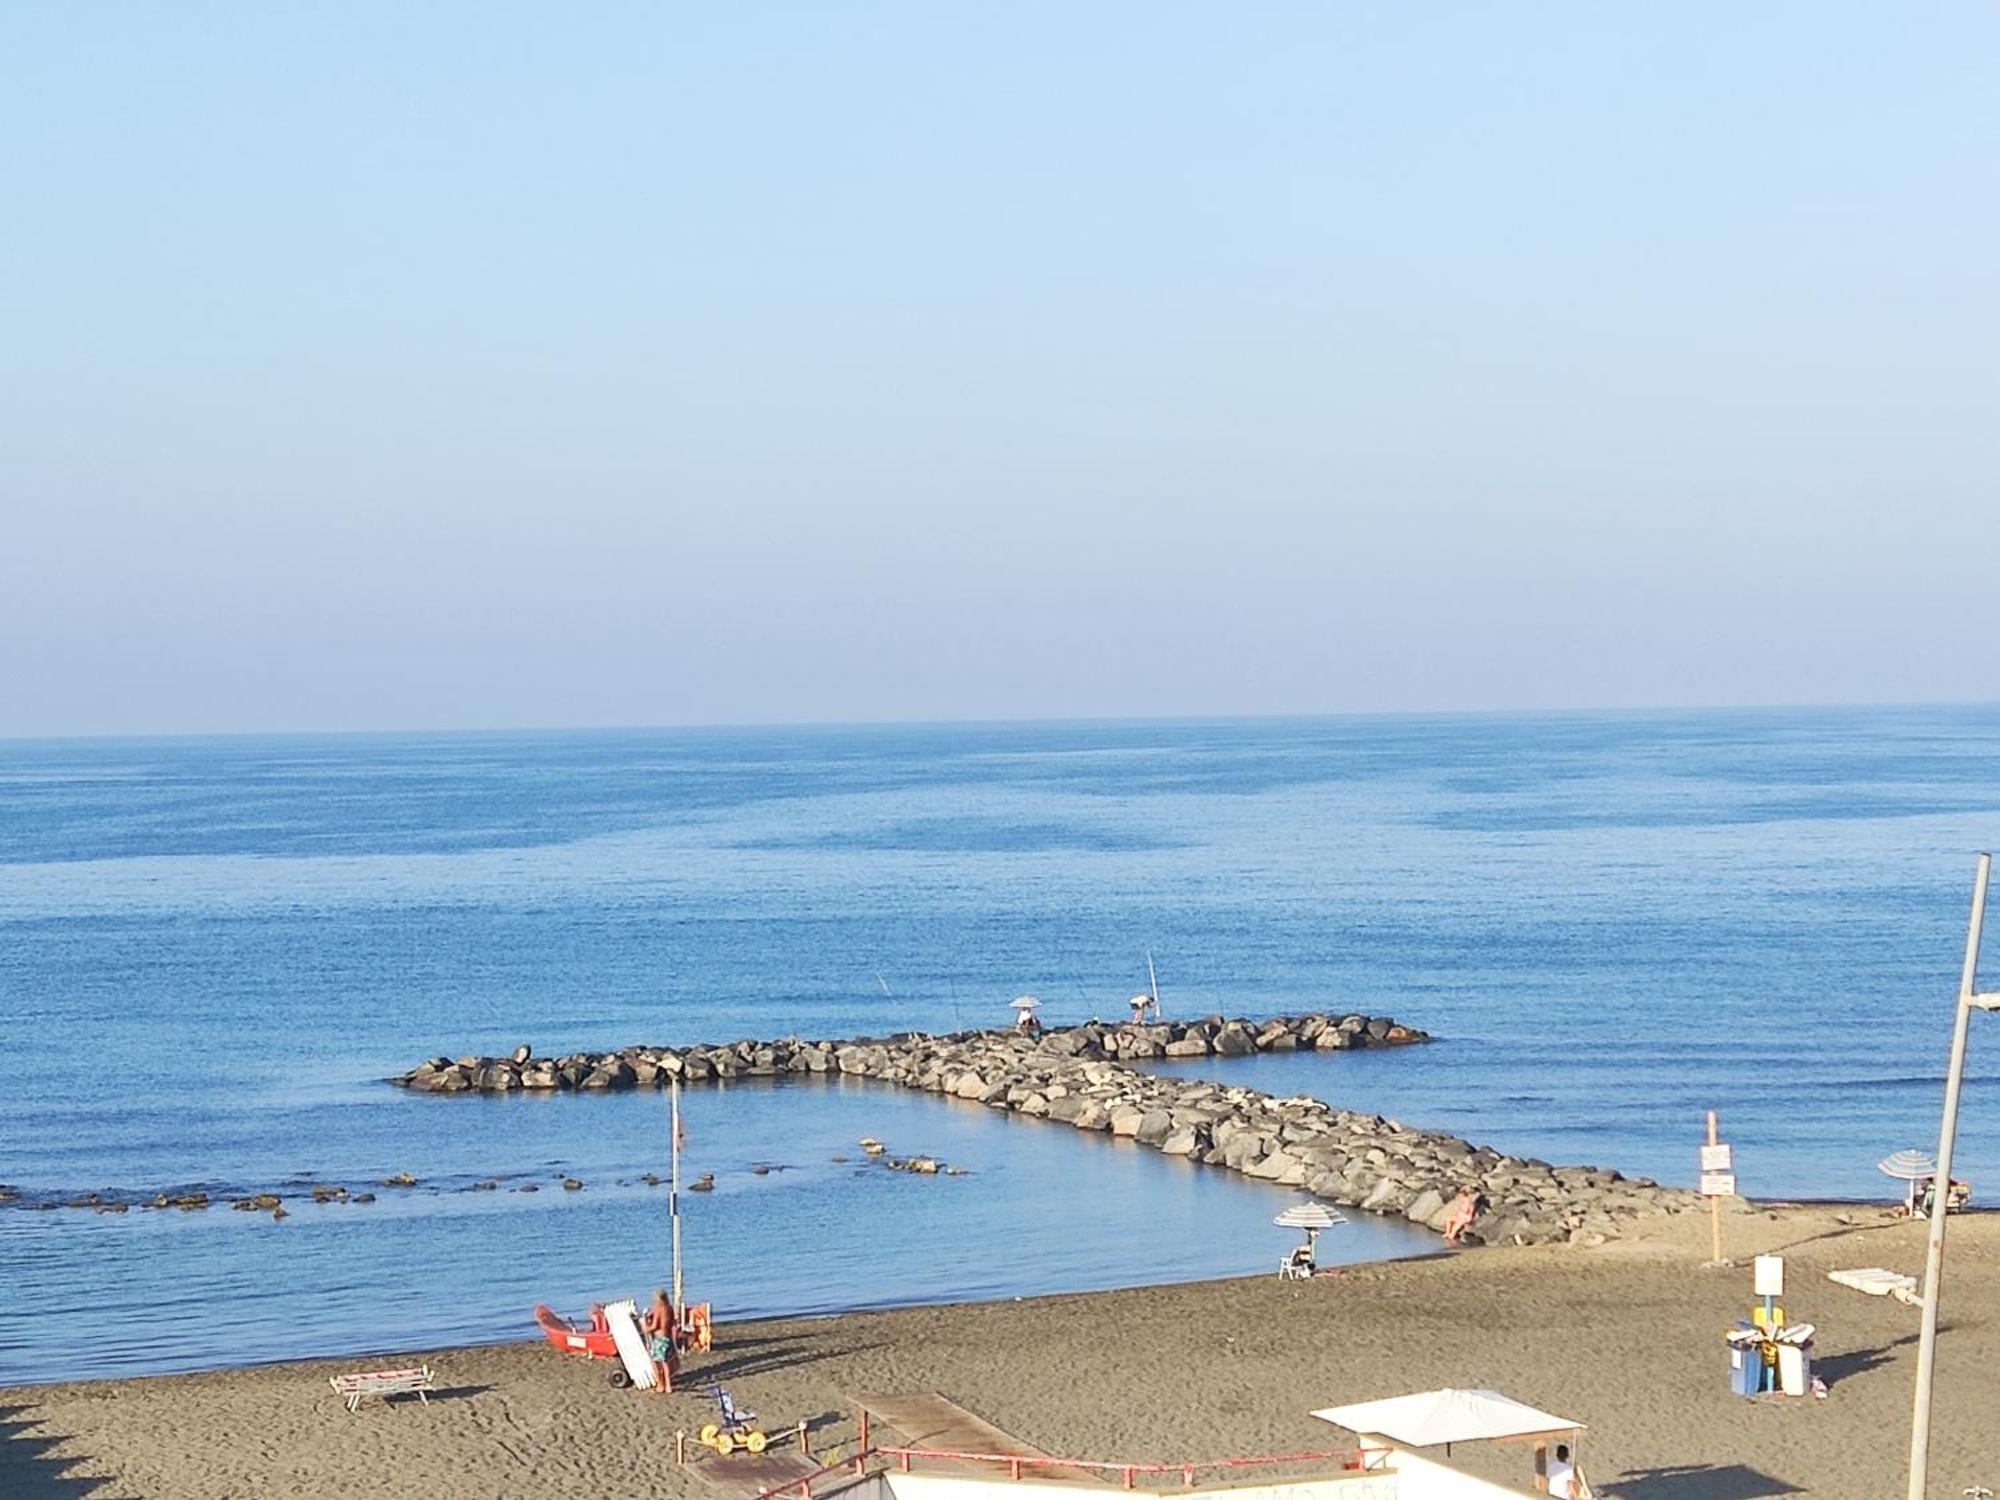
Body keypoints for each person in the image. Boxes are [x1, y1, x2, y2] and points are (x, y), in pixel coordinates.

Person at [641, 1287, 678, 1390]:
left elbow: (654, 1326)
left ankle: (660, 1385)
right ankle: (668, 1386)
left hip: (659, 1339)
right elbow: (671, 1323)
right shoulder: (669, 1308)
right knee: (666, 1362)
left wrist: (645, 1327)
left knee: (655, 1362)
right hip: (667, 1337)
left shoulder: (659, 1310)